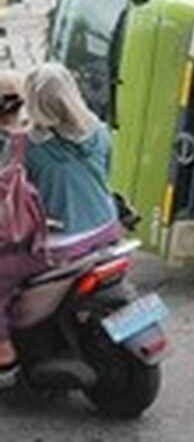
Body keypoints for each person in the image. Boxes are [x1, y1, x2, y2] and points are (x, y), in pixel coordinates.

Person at [0, 64, 123, 387]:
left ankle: (4, 352)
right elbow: (104, 175)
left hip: (64, 245)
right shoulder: (100, 132)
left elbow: (9, 192)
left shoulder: (26, 147)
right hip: (108, 229)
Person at [0, 71, 37, 386]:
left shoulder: (12, 145)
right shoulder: (30, 138)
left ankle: (5, 354)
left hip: (18, 242)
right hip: (38, 238)